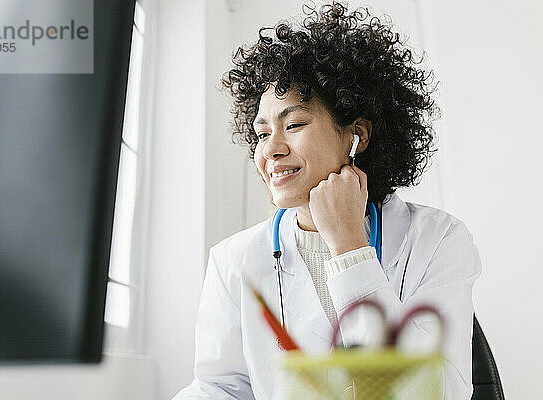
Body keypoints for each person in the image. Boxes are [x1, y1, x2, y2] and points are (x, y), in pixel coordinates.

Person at [173, 2, 480, 399]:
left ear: (358, 136)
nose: (272, 150)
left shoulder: (437, 240)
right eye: (262, 133)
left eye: (294, 124)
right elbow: (220, 388)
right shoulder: (233, 261)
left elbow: (439, 391)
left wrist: (349, 247)